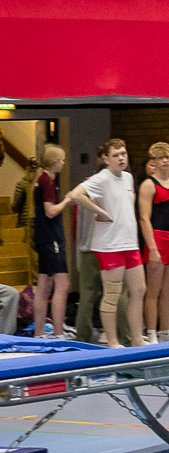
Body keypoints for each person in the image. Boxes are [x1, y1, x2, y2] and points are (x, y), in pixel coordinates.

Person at [68, 138, 146, 348]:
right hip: (110, 246)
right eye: (116, 155)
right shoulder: (101, 178)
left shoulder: (128, 177)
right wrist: (99, 211)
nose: (121, 158)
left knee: (139, 290)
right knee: (112, 294)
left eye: (123, 154)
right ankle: (112, 341)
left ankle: (137, 338)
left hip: (129, 243)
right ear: (106, 159)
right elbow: (76, 194)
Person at [138, 143, 169, 342]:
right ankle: (151, 331)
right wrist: (152, 247)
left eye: (167, 157)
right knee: (154, 290)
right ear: (154, 161)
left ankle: (165, 331)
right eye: (160, 158)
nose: (165, 161)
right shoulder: (149, 185)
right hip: (157, 238)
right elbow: (144, 218)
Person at [32, 144, 71, 338]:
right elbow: (50, 211)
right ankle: (58, 331)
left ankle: (39, 332)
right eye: (61, 160)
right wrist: (67, 201)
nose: (63, 163)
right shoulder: (47, 182)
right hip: (51, 238)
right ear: (54, 162)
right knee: (62, 284)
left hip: (43, 237)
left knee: (44, 285)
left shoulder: (42, 180)